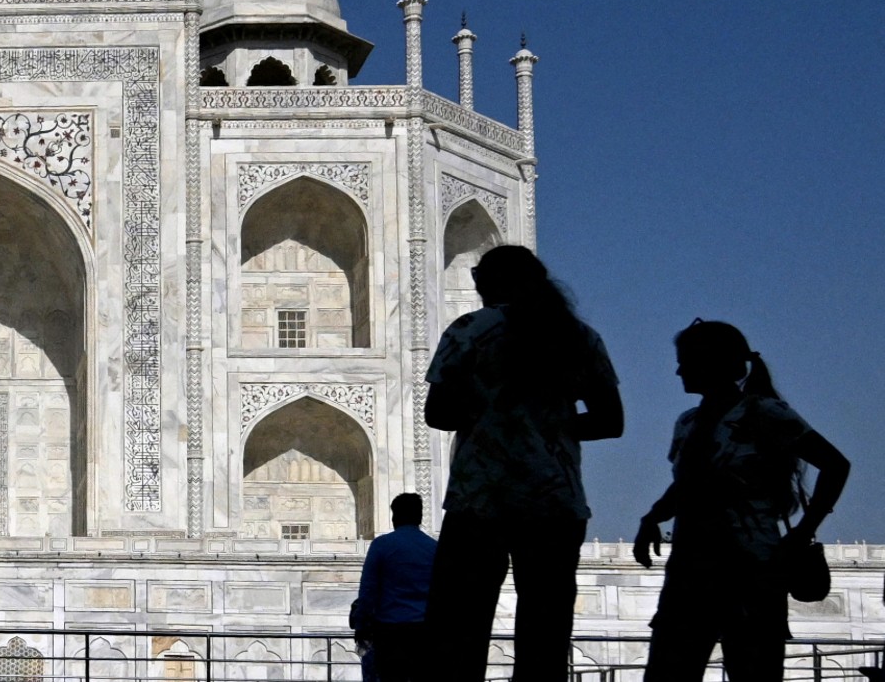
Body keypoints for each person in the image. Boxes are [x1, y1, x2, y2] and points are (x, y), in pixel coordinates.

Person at [422, 246, 623, 682]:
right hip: (555, 501)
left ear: (489, 283)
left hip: (480, 500)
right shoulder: (578, 336)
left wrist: (491, 417)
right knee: (545, 631)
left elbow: (437, 414)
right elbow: (611, 421)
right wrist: (550, 426)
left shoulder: (470, 330)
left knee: (459, 628)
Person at [634, 320, 851, 682]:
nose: (678, 371)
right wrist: (653, 517)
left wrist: (803, 531)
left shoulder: (763, 412)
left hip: (751, 568)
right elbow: (687, 485)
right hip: (691, 568)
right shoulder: (688, 422)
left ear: (713, 363)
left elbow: (835, 464)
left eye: (686, 362)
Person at [351, 493, 437, 682]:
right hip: (424, 633)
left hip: (390, 632)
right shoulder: (434, 548)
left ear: (395, 516)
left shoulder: (382, 545)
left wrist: (361, 625)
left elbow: (368, 591)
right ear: (420, 517)